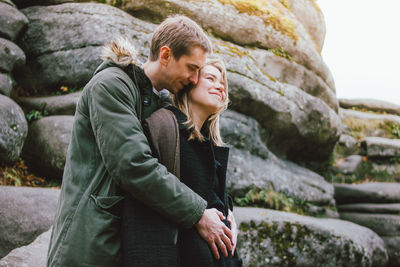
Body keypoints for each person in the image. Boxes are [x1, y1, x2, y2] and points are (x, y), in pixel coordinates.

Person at [47, 15, 234, 267]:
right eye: (192, 68)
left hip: (125, 240)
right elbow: (133, 165)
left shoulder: (159, 104)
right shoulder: (111, 85)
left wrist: (225, 212)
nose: (194, 79)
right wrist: (198, 213)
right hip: (90, 240)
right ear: (165, 55)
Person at [123, 58, 242, 266]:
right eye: (211, 78)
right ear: (190, 82)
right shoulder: (164, 127)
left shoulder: (208, 144)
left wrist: (228, 212)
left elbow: (209, 197)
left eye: (222, 82)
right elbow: (145, 201)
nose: (220, 86)